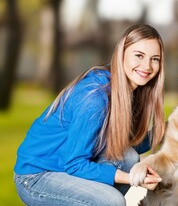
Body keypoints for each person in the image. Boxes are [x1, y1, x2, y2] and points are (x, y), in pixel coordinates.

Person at [14, 24, 166, 206]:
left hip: (64, 166)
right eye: (139, 55)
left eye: (155, 59)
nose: (147, 66)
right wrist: (133, 178)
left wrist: (172, 129)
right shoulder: (95, 97)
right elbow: (75, 163)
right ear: (121, 53)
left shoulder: (128, 91)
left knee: (129, 157)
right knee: (112, 202)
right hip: (36, 175)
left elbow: (126, 142)